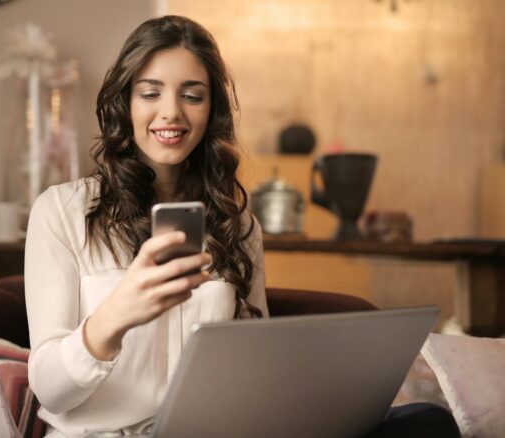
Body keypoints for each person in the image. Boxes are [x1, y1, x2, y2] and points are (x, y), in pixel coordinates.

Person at [24, 15, 459, 438]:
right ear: (125, 102)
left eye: (192, 96)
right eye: (150, 93)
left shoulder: (237, 226)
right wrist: (113, 318)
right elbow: (50, 389)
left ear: (211, 110)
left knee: (427, 422)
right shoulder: (63, 212)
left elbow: (253, 366)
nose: (171, 112)